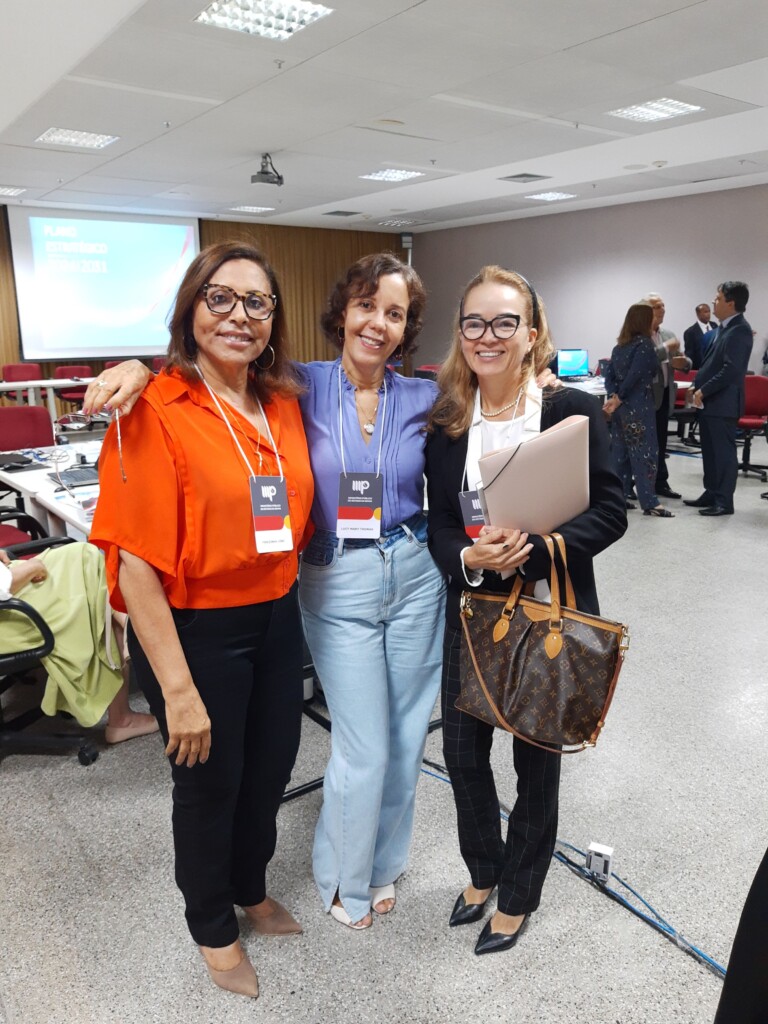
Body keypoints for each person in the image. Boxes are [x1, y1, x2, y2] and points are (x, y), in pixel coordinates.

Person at [89, 241, 314, 1000]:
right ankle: (212, 925)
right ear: (191, 308)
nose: (238, 316)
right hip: (196, 631)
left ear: (273, 319)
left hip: (278, 618)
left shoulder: (282, 401)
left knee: (270, 769)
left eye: (256, 302)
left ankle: (249, 886)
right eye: (219, 298)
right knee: (210, 785)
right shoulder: (152, 409)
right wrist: (177, 692)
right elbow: (135, 566)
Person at [425, 265, 626, 956]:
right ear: (460, 333)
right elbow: (439, 523)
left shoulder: (569, 411)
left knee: (536, 764)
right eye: (475, 322)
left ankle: (518, 894)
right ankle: (484, 867)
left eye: (505, 322)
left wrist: (537, 550)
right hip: (471, 611)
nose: (488, 336)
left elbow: (610, 511)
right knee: (461, 753)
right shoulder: (449, 422)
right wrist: (467, 555)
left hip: (547, 612)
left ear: (531, 332)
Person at [296, 254, 446, 930]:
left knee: (407, 735)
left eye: (394, 313)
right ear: (342, 313)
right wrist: (139, 371)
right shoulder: (298, 384)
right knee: (365, 746)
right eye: (367, 306)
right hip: (337, 578)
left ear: (407, 328)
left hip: (414, 571)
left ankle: (384, 863)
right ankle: (342, 876)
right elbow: (213, 377)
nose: (378, 324)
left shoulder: (423, 397)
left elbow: (496, 411)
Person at [0, 542, 158, 742]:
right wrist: (31, 568)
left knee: (83, 556)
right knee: (91, 579)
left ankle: (129, 627)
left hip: (7, 583)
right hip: (8, 611)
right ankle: (122, 718)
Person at [683, 281, 753, 517]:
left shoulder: (740, 330)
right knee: (710, 452)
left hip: (723, 403)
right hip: (710, 403)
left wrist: (704, 390)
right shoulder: (723, 328)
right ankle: (711, 492)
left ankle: (724, 501)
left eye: (718, 298)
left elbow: (731, 370)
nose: (714, 302)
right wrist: (695, 384)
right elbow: (710, 364)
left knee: (723, 454)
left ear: (730, 303)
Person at [604, 303, 674, 516]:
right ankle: (650, 502)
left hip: (621, 410)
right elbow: (636, 376)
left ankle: (619, 496)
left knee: (620, 454)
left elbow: (609, 376)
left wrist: (614, 397)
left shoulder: (619, 347)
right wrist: (620, 397)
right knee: (645, 455)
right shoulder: (644, 345)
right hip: (638, 407)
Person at [644, 293, 690, 499]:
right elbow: (646, 358)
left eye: (663, 305)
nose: (662, 310)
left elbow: (684, 360)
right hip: (643, 398)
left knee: (661, 442)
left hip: (664, 395)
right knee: (642, 443)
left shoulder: (668, 335)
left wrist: (684, 363)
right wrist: (666, 349)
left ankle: (660, 482)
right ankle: (636, 483)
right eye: (656, 306)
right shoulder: (637, 335)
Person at [683, 303, 718, 371]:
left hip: (716, 366)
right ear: (698, 314)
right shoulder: (690, 332)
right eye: (705, 312)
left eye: (709, 311)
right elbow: (690, 355)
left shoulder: (715, 326)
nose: (708, 314)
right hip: (700, 368)